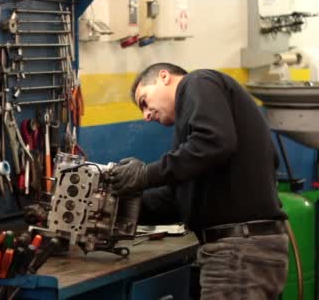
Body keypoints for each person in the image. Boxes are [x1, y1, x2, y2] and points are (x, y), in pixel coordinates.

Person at [107, 63, 289, 300]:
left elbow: (214, 143)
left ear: (164, 77)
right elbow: (178, 198)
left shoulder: (198, 82)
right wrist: (116, 207)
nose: (146, 115)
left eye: (144, 101)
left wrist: (145, 175)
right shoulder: (196, 125)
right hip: (242, 250)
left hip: (238, 252)